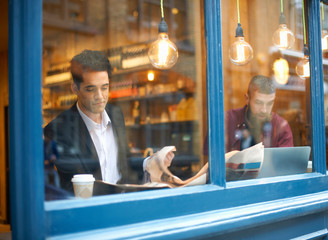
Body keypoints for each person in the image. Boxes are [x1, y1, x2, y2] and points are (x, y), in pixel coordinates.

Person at [44, 50, 174, 193]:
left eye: (104, 88)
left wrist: (149, 162)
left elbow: (123, 161)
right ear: (75, 88)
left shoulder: (116, 115)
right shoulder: (58, 128)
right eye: (91, 89)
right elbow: (71, 185)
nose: (100, 96)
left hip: (121, 202)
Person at [203, 75, 293, 155]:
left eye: (269, 103)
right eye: (258, 102)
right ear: (247, 99)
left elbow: (285, 166)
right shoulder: (225, 121)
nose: (264, 110)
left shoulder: (281, 126)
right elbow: (210, 163)